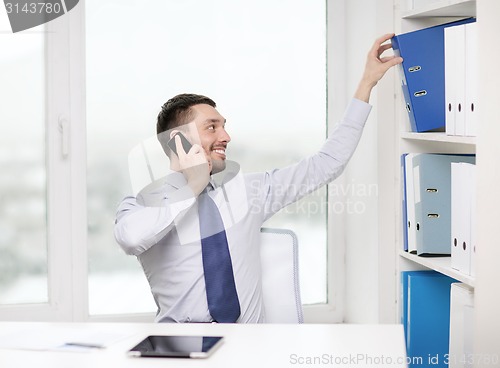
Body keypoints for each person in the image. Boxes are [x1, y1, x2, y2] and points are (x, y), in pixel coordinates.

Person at [114, 34, 403, 323]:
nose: (225, 137)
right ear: (179, 141)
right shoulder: (143, 203)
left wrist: (367, 83)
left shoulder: (249, 189)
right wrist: (193, 186)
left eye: (223, 127)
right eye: (211, 127)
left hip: (250, 346)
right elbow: (131, 238)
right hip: (178, 349)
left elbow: (327, 163)